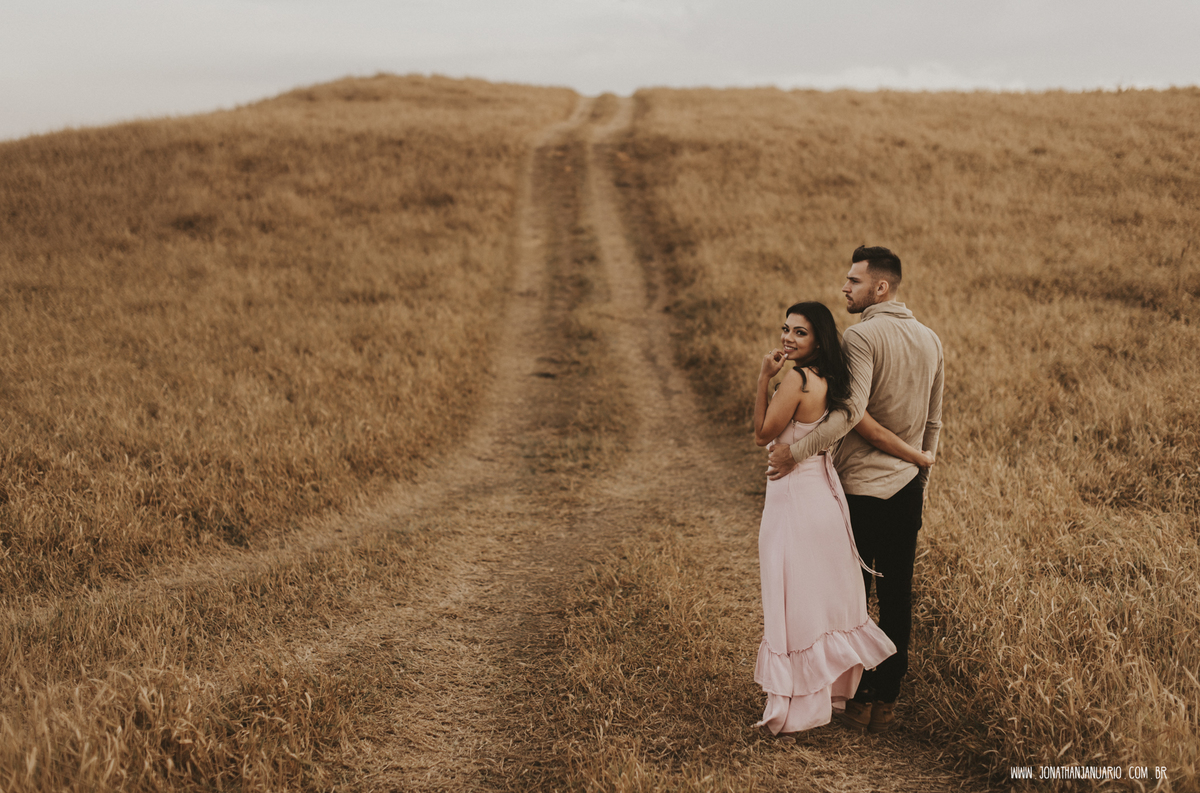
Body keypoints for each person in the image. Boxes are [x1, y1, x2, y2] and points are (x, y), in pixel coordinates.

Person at [767, 246, 944, 735]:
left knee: (854, 595)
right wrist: (920, 478)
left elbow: (849, 413)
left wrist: (797, 453)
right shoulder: (931, 339)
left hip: (861, 486)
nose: (845, 288)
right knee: (898, 592)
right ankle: (887, 699)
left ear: (880, 288)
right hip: (907, 488)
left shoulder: (861, 336)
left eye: (854, 281)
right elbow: (933, 422)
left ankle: (858, 697)